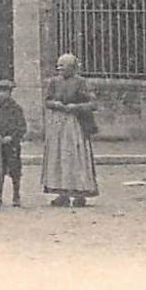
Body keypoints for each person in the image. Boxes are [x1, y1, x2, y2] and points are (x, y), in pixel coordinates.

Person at [42, 54, 100, 207]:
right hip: (58, 125)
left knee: (76, 157)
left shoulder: (82, 83)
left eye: (63, 66)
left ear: (73, 67)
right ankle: (63, 194)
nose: (59, 68)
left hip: (76, 124)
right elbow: (47, 100)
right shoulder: (54, 82)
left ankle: (80, 193)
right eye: (58, 65)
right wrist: (56, 104)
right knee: (59, 157)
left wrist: (76, 107)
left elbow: (93, 104)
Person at [0, 78, 28, 207]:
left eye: (4, 91)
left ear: (10, 93)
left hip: (11, 144)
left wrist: (12, 137)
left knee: (14, 170)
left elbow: (21, 127)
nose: (1, 94)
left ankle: (16, 195)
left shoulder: (16, 109)